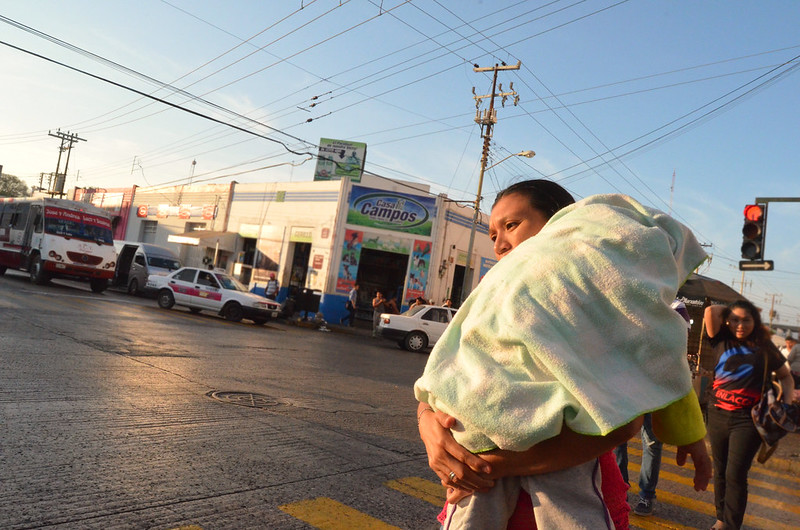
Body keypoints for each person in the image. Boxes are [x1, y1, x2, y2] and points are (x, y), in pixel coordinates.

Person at [415, 180, 712, 529]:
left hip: (557, 482)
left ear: (562, 224)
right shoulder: (496, 289)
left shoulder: (598, 292)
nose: (499, 243)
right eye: (493, 234)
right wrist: (429, 422)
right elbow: (453, 365)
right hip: (477, 471)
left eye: (511, 225)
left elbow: (652, 357)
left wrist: (688, 432)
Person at [704, 301, 794, 530]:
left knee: (735, 474)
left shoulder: (764, 346)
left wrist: (785, 407)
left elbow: (786, 377)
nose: (740, 325)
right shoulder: (720, 340)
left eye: (746, 320)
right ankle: (721, 520)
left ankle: (731, 525)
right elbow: (710, 311)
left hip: (747, 420)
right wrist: (732, 308)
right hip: (717, 414)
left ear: (755, 321)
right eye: (735, 319)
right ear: (727, 320)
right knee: (720, 471)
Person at [614, 299, 691, 517]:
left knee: (651, 443)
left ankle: (646, 495)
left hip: (656, 388)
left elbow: (678, 340)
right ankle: (620, 490)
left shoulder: (677, 306)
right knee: (617, 440)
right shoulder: (634, 298)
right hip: (626, 385)